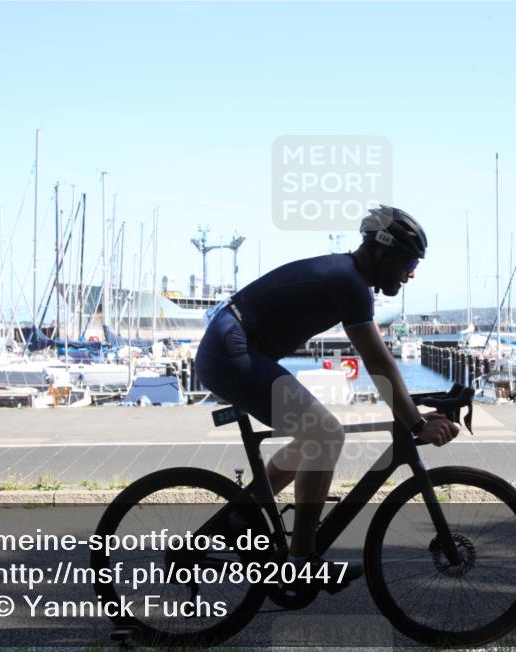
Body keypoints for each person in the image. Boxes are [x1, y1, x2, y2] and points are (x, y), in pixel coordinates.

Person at [194, 206, 459, 590]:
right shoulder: (349, 282)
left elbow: (381, 366)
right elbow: (379, 363)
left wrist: (414, 412)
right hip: (230, 350)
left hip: (234, 346)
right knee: (324, 434)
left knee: (314, 436)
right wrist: (415, 422)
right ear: (384, 251)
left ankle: (241, 516)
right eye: (410, 261)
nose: (412, 272)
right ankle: (301, 564)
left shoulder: (348, 278)